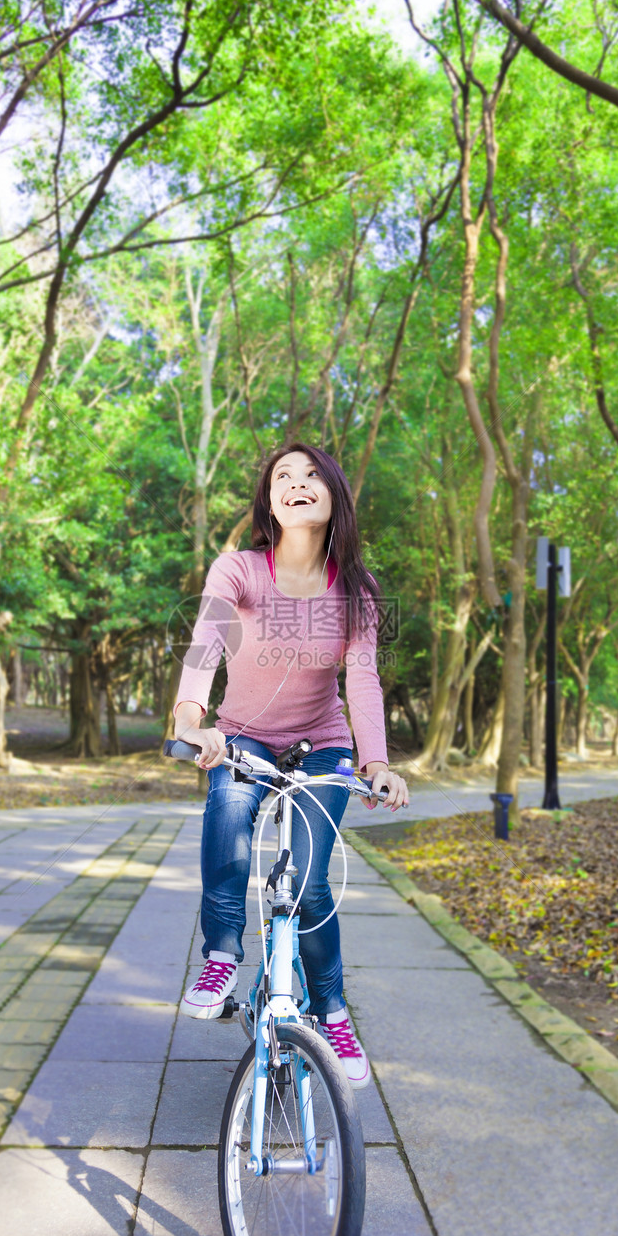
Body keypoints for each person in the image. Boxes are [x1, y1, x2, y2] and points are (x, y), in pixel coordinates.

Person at [172, 442, 408, 1089]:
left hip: (323, 743)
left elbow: (361, 679)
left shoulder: (358, 590)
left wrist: (377, 762)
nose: (297, 483)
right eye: (283, 476)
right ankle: (222, 951)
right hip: (242, 736)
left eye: (311, 475)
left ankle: (332, 1011)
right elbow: (206, 642)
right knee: (228, 806)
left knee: (308, 880)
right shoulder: (239, 570)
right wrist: (192, 718)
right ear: (268, 500)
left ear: (334, 494)